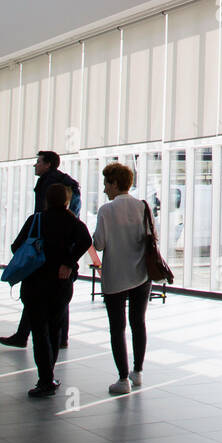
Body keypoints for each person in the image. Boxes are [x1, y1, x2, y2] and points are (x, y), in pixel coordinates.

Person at [13, 183, 92, 398]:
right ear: (67, 201)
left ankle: (45, 378)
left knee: (39, 331)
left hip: (35, 281)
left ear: (47, 200)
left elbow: (15, 246)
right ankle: (50, 375)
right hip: (60, 283)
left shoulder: (36, 220)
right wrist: (67, 261)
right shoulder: (72, 222)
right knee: (55, 329)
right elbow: (86, 241)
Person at [0, 151, 81, 350]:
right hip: (62, 254)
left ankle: (25, 336)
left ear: (48, 164)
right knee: (60, 295)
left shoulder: (48, 182)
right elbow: (84, 239)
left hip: (43, 251)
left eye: (38, 162)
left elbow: (40, 215)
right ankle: (58, 336)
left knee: (35, 294)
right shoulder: (66, 187)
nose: (35, 165)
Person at [92, 161, 151, 395]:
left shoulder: (106, 210)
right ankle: (138, 371)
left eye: (106, 183)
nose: (105, 189)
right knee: (139, 322)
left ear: (114, 183)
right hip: (141, 275)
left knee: (117, 327)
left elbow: (99, 243)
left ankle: (122, 378)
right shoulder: (142, 206)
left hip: (115, 276)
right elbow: (149, 238)